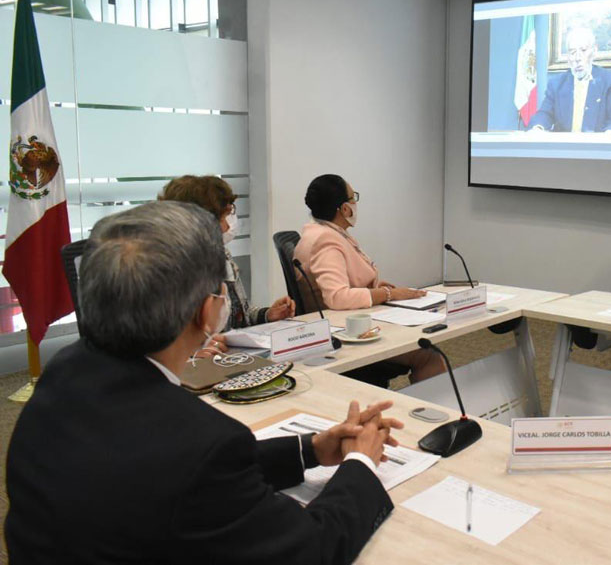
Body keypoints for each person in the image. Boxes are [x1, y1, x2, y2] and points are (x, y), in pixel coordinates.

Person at [5, 201, 401, 564]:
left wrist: (311, 449)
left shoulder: (64, 371)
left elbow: (168, 471)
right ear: (206, 311)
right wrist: (361, 462)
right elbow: (312, 551)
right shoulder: (203, 445)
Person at [294, 174, 445, 383]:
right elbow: (337, 297)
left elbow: (339, 279)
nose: (356, 203)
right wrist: (387, 294)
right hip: (345, 336)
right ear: (344, 209)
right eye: (353, 197)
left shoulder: (324, 231)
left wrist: (373, 288)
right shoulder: (325, 240)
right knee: (429, 355)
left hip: (349, 324)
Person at [159, 175, 295, 353]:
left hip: (231, 357)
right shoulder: (166, 268)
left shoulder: (221, 255)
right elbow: (154, 341)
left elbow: (238, 316)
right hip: (195, 370)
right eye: (221, 218)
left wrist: (268, 315)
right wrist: (192, 351)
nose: (226, 227)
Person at [528, 27, 611, 133]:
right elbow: (544, 114)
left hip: (596, 147)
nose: (577, 58)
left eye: (583, 50)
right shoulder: (557, 84)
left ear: (594, 51)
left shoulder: (610, 81)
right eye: (572, 52)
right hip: (565, 147)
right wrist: (538, 128)